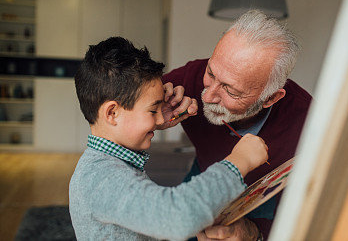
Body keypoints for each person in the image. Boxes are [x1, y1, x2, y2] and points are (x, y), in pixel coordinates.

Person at [69, 36, 269, 241]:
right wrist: (239, 161)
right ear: (112, 113)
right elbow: (177, 218)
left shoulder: (108, 164)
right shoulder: (101, 177)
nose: (158, 119)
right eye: (152, 110)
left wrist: (151, 116)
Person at [162, 10, 312, 240]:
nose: (208, 96)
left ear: (270, 98)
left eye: (230, 90)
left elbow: (302, 217)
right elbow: (125, 104)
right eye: (211, 74)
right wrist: (152, 116)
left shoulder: (307, 125)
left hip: (265, 197)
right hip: (206, 170)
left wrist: (253, 233)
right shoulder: (192, 78)